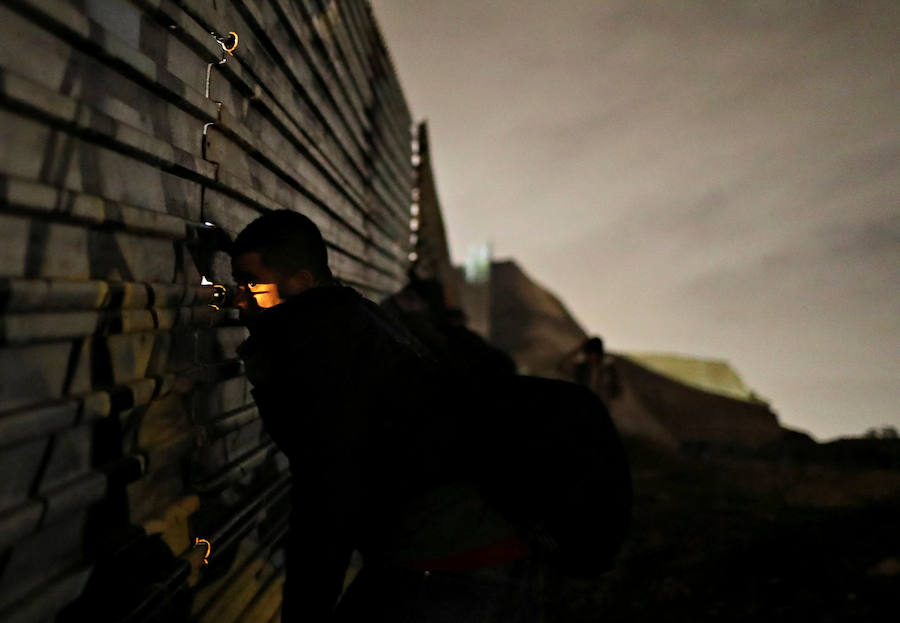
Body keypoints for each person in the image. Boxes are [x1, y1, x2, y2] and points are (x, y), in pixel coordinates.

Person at [230, 210, 542, 622]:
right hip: (485, 547)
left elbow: (325, 499)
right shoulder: (356, 320)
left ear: (302, 284)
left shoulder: (320, 352)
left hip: (450, 561)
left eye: (254, 287)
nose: (240, 300)